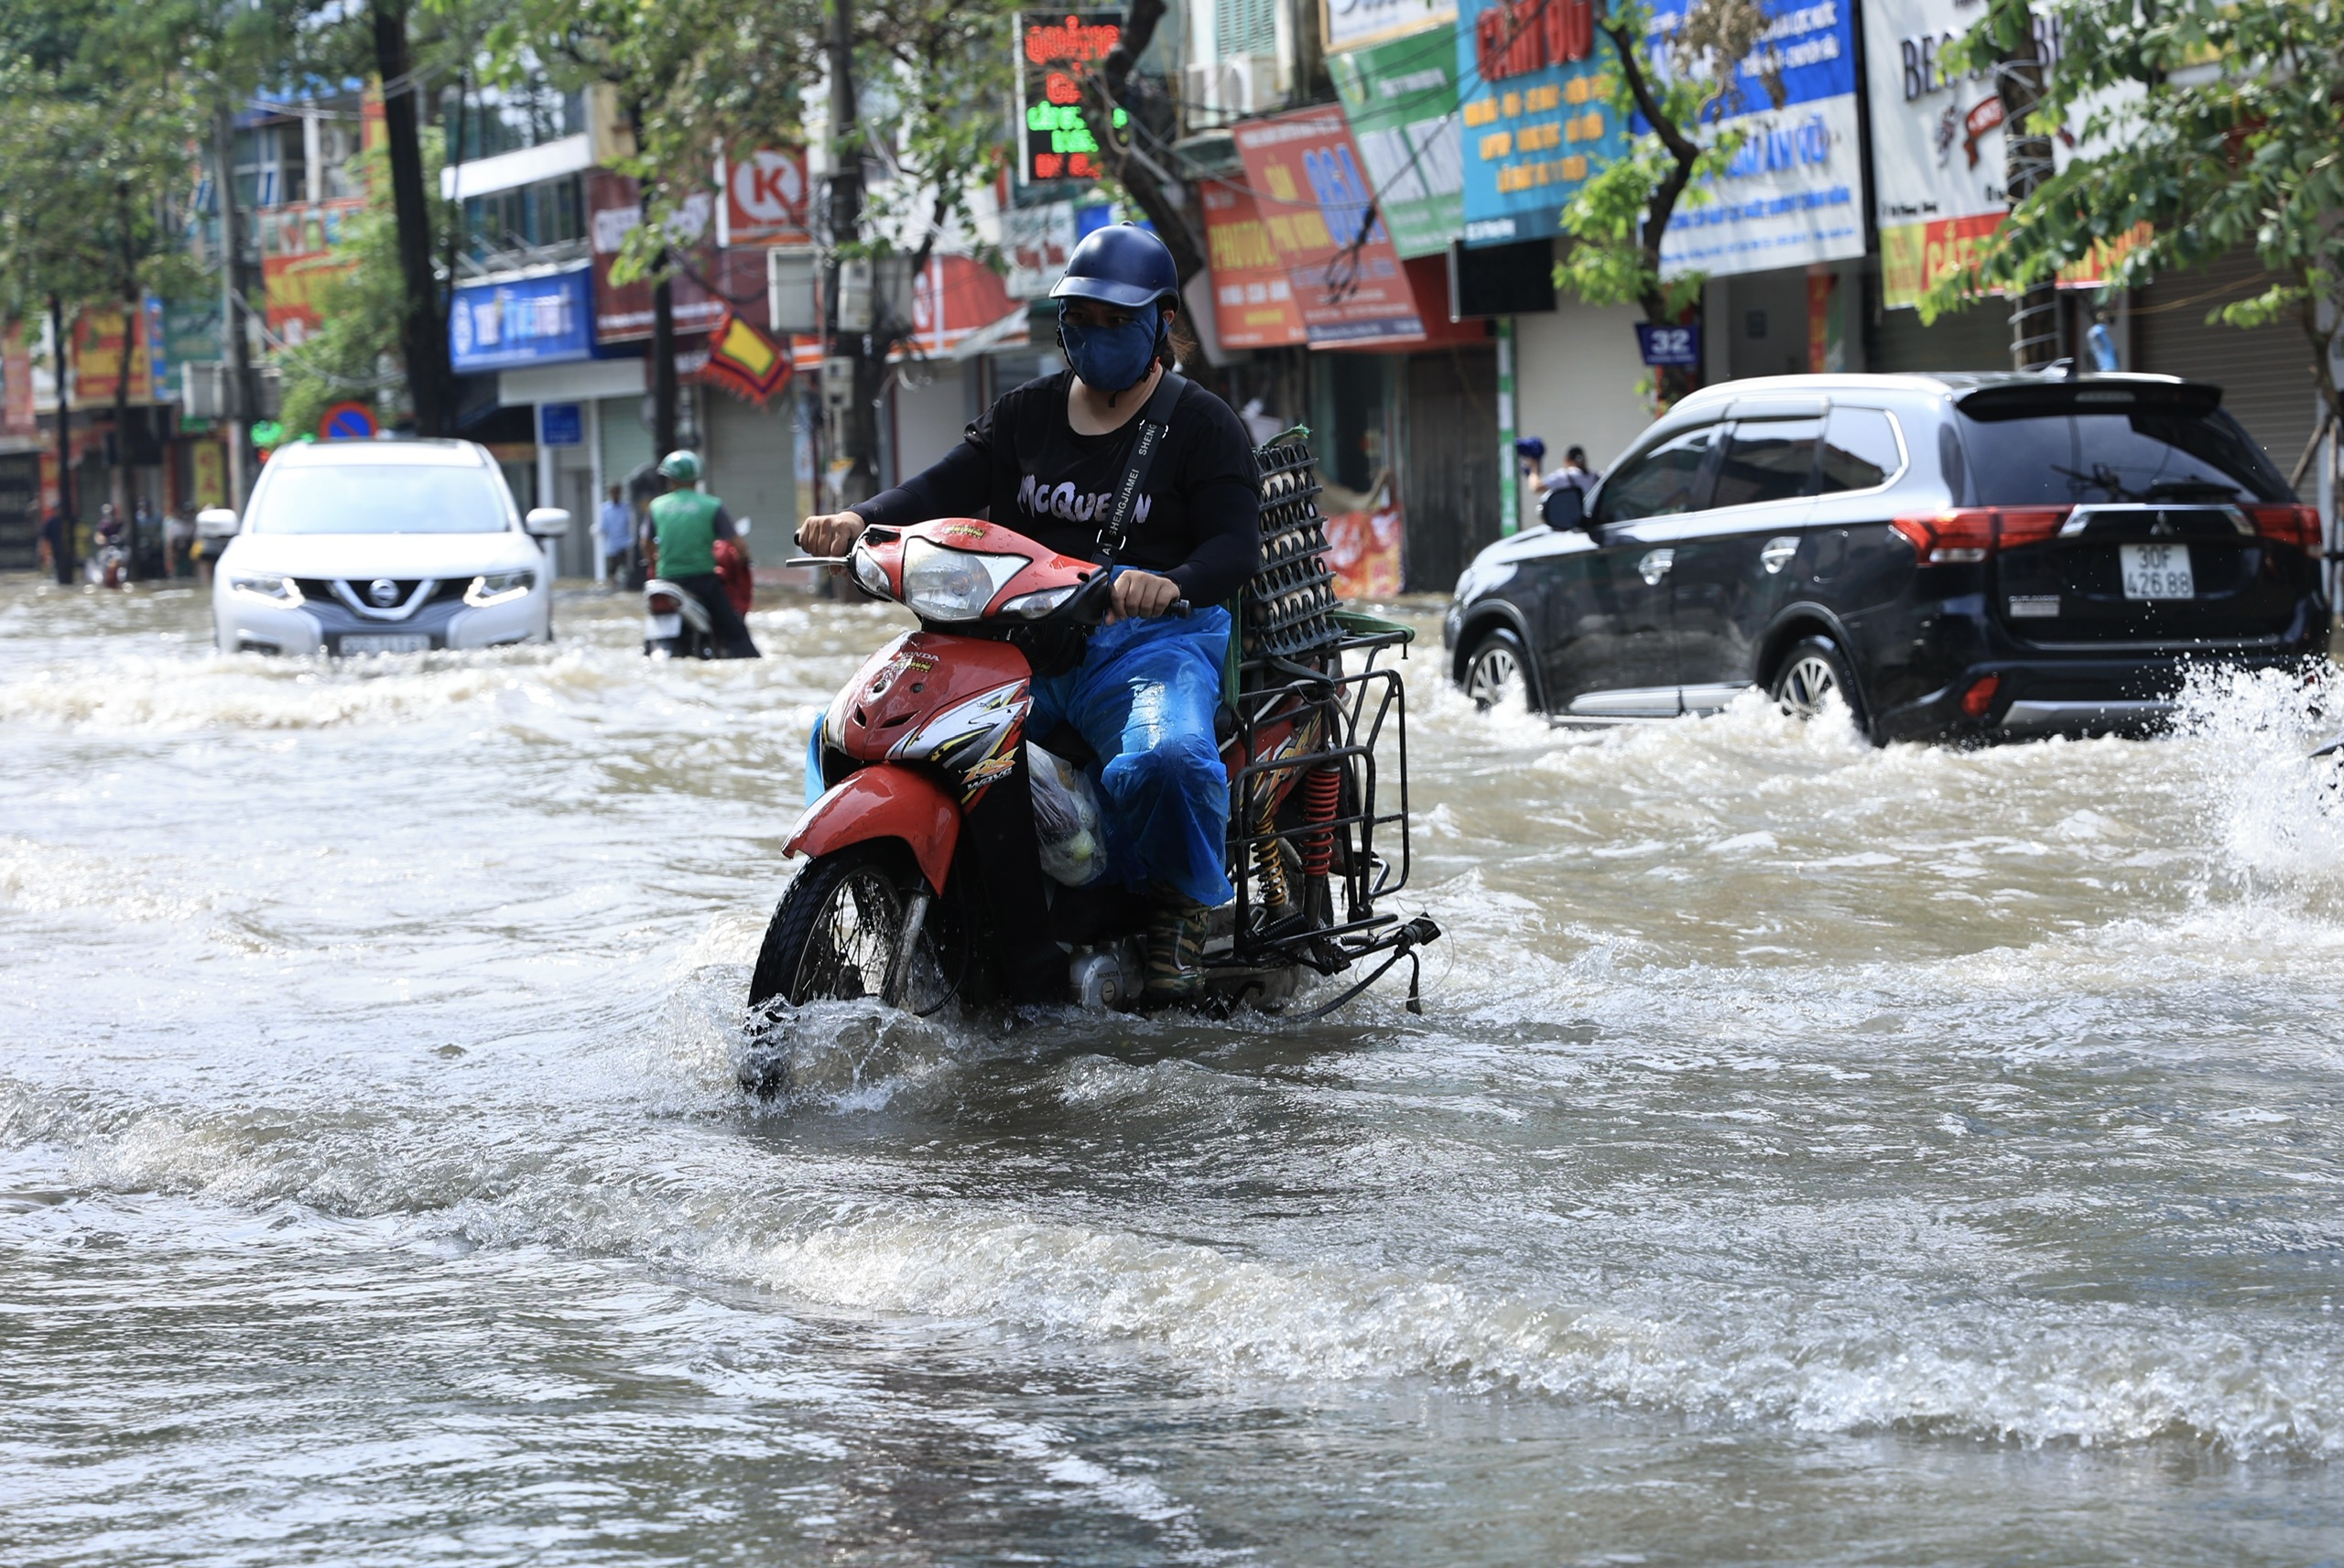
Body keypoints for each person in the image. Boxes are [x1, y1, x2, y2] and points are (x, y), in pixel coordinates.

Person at [798, 222, 1260, 1002]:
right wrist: (859, 518)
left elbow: (1235, 548)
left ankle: (1173, 906)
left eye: (1119, 319)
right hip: (1019, 637)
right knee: (849, 728)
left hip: (1147, 643)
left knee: (1165, 762)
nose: (1097, 333)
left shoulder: (1204, 425)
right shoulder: (1023, 414)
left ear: (1163, 321)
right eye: (1082, 316)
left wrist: (1168, 581)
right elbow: (942, 486)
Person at [646, 450, 759, 657]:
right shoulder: (712, 505)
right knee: (737, 635)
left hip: (666, 580)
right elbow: (737, 544)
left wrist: (653, 560)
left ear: (669, 478)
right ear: (696, 478)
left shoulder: (656, 506)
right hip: (703, 581)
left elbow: (645, 544)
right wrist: (744, 557)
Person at [597, 482, 633, 588]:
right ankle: (613, 586)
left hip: (624, 542)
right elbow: (603, 526)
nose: (615, 495)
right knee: (612, 569)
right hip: (611, 544)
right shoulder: (605, 509)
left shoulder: (626, 508)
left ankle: (627, 585)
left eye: (617, 493)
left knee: (627, 566)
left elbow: (629, 524)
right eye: (613, 493)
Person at [165, 505, 197, 579]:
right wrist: (170, 554)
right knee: (178, 571)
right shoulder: (173, 524)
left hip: (189, 550)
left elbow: (194, 539)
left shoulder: (191, 524)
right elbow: (170, 541)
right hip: (178, 551)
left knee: (190, 570)